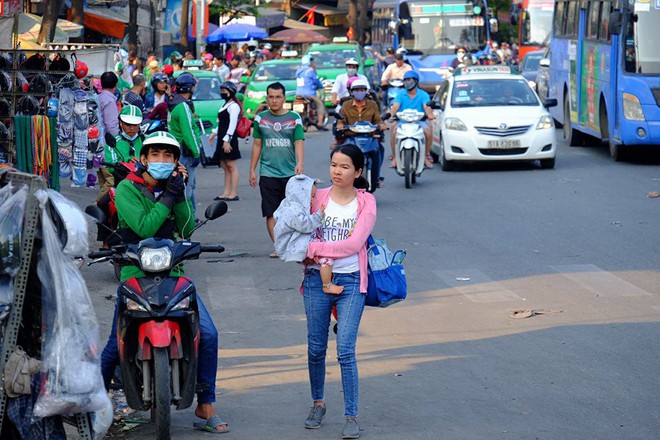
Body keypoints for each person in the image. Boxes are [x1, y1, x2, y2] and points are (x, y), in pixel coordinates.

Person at [99, 131, 230, 435]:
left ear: (175, 162)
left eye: (167, 156)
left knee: (208, 334)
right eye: (155, 155)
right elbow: (145, 226)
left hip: (172, 273)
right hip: (135, 273)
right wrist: (168, 197)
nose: (161, 161)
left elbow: (185, 229)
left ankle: (205, 403)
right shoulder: (127, 189)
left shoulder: (174, 187)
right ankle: (96, 403)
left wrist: (180, 193)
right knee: (112, 347)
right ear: (144, 159)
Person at [300, 144, 376, 439]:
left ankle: (352, 414)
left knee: (345, 350)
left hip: (352, 281)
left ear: (357, 172)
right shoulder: (317, 197)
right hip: (315, 281)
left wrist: (313, 248)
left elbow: (354, 245)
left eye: (345, 167)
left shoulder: (365, 202)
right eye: (334, 165)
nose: (337, 171)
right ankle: (318, 403)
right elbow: (294, 229)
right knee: (316, 348)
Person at [249, 82, 305, 256]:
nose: (274, 100)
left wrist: (300, 163)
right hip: (268, 173)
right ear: (267, 98)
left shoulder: (294, 118)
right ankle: (280, 248)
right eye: (271, 97)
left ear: (284, 98)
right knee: (271, 212)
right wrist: (252, 170)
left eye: (278, 97)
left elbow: (298, 142)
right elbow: (257, 145)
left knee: (290, 213)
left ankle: (292, 244)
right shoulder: (260, 119)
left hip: (289, 174)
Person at [273, 174, 344, 294]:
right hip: (295, 244)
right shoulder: (294, 210)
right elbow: (306, 225)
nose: (313, 200)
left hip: (293, 242)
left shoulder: (287, 204)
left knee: (318, 251)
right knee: (326, 256)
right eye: (311, 197)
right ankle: (327, 284)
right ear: (301, 196)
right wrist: (318, 215)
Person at [336, 79, 387, 188]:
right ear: (351, 92)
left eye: (362, 90)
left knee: (379, 150)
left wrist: (381, 125)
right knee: (339, 153)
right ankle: (338, 177)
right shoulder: (346, 105)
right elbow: (341, 120)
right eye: (357, 90)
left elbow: (377, 120)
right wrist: (340, 125)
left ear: (366, 91)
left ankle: (376, 177)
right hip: (351, 136)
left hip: (369, 136)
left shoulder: (372, 104)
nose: (360, 92)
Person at [168, 72, 202, 214]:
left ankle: (191, 216)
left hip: (176, 149)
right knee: (187, 187)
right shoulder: (183, 107)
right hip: (185, 151)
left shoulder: (174, 102)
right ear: (191, 88)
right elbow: (188, 133)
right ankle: (185, 219)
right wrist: (197, 152)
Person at [387, 70, 436, 169]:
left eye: (409, 80)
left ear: (416, 81)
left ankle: (426, 156)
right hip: (402, 121)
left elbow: (427, 106)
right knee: (393, 132)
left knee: (428, 132)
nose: (407, 82)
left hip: (419, 121)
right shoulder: (401, 94)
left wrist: (430, 114)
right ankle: (395, 157)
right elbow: (395, 106)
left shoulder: (423, 94)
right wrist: (390, 114)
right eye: (405, 80)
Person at [209, 82, 241, 202]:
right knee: (225, 165)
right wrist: (214, 133)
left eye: (224, 91)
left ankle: (233, 193)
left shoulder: (234, 106)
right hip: (223, 138)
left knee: (231, 165)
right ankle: (226, 192)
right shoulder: (225, 105)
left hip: (228, 139)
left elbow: (232, 124)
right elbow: (222, 123)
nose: (222, 93)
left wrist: (227, 139)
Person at [295, 55, 327, 130]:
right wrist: (320, 86)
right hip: (310, 93)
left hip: (299, 93)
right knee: (320, 105)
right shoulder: (311, 71)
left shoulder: (298, 71)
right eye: (312, 61)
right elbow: (316, 81)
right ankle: (320, 122)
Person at [98, 71, 120, 137]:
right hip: (105, 140)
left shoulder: (98, 97)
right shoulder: (110, 102)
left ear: (101, 84)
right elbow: (111, 126)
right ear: (116, 85)